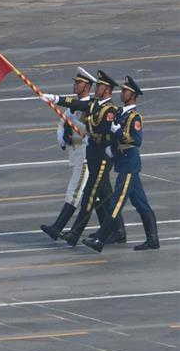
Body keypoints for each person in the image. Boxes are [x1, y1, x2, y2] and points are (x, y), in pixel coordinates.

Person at [41, 70, 125, 246]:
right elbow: (74, 103)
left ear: (107, 90)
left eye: (100, 86)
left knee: (89, 196)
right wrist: (54, 99)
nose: (97, 88)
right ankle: (115, 231)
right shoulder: (94, 105)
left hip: (101, 156)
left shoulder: (109, 110)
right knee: (104, 196)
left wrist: (87, 136)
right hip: (92, 155)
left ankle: (74, 233)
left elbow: (104, 131)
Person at [83, 76, 159, 252]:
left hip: (129, 164)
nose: (122, 93)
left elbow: (137, 141)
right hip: (122, 162)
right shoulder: (119, 113)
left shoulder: (134, 117)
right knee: (141, 203)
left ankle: (100, 240)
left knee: (116, 202)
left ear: (132, 95)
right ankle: (153, 240)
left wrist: (120, 133)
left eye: (125, 91)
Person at [40, 67, 94, 241]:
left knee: (74, 192)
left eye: (78, 83)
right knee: (100, 197)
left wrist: (56, 100)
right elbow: (62, 124)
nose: (75, 85)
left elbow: (87, 129)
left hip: (86, 157)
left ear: (86, 86)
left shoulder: (90, 106)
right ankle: (117, 231)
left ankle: (57, 228)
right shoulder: (72, 106)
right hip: (75, 154)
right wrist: (63, 138)